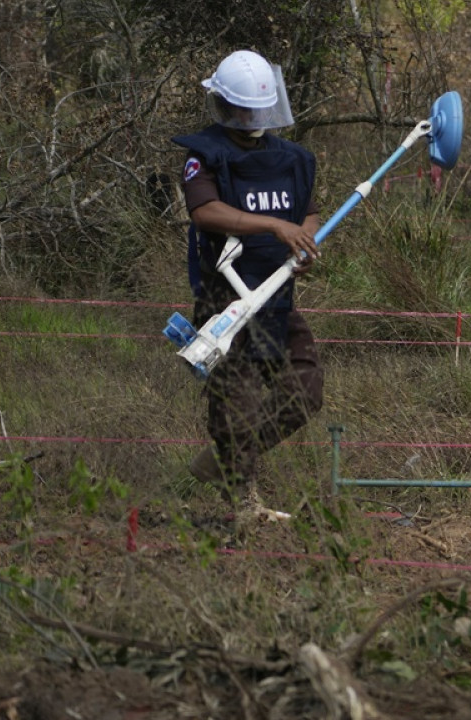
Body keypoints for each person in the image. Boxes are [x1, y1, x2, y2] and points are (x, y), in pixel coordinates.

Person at [173, 50, 324, 525]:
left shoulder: (294, 159)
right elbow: (205, 212)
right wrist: (275, 227)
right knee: (234, 404)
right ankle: (244, 506)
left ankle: (223, 461)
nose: (250, 118)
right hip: (228, 303)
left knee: (306, 387)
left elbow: (310, 214)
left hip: (277, 296)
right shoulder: (205, 157)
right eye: (241, 109)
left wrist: (304, 240)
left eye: (257, 109)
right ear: (222, 105)